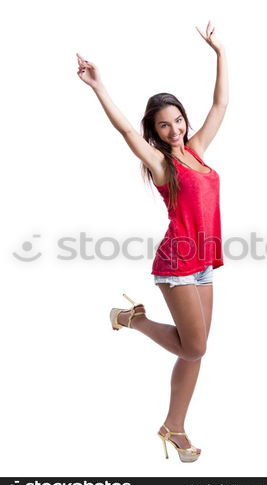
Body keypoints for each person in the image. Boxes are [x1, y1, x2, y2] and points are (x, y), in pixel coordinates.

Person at [76, 20, 229, 462]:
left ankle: (174, 427)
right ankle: (134, 320)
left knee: (193, 353)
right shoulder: (163, 166)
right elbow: (126, 132)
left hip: (204, 263)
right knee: (195, 346)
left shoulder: (197, 149)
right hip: (177, 263)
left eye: (178, 120)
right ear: (155, 132)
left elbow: (220, 103)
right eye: (164, 126)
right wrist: (98, 86)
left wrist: (219, 52)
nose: (175, 130)